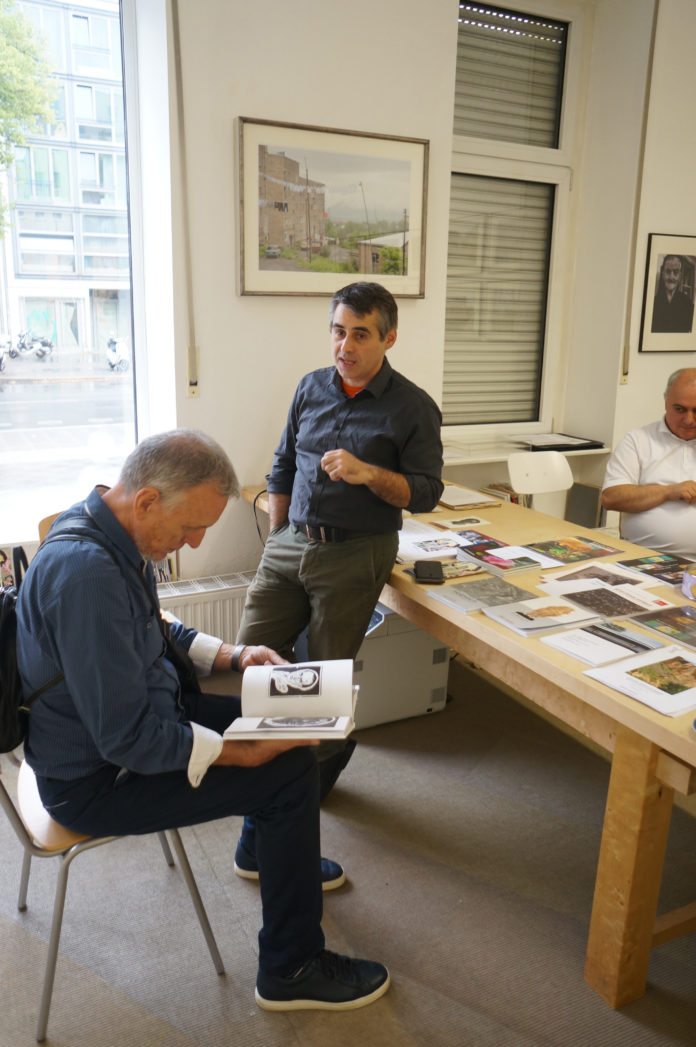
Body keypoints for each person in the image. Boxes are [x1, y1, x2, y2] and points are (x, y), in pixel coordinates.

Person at [15, 429, 390, 1012]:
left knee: (285, 716)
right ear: (146, 501)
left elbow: (153, 624)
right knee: (288, 767)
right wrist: (239, 752)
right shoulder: (87, 573)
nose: (191, 544)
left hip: (143, 716)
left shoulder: (106, 523)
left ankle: (262, 849)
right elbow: (129, 740)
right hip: (96, 777)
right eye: (191, 528)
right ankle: (290, 967)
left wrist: (234, 656)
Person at [235, 280, 444, 803]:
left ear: (389, 339)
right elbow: (283, 464)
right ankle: (278, 757)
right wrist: (278, 533)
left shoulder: (413, 407)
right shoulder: (310, 387)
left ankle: (313, 781)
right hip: (291, 541)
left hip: (357, 550)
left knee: (325, 676)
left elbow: (425, 494)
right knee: (254, 654)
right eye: (337, 332)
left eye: (360, 335)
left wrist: (368, 474)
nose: (345, 346)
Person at [601, 368, 696, 557]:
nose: (689, 420)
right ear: (665, 401)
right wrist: (668, 491)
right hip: (646, 558)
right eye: (679, 409)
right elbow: (611, 498)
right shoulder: (638, 441)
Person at [651, 254, 694, 333]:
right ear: (663, 274)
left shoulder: (688, 303)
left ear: (680, 276)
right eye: (668, 271)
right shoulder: (653, 303)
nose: (671, 277)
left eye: (676, 272)